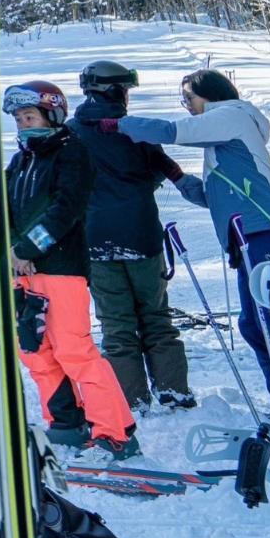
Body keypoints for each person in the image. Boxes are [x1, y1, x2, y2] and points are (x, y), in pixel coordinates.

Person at [112, 67, 270, 421]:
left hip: (266, 235)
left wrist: (117, 123)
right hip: (247, 238)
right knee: (253, 325)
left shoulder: (230, 114)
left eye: (189, 97)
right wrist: (182, 181)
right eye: (183, 99)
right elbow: (220, 193)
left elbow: (172, 132)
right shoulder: (226, 130)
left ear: (211, 93)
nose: (186, 105)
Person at [2, 79, 139, 458]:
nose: (23, 124)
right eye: (17, 119)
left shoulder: (71, 153)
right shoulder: (20, 161)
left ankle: (115, 432)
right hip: (22, 271)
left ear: (53, 114)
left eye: (29, 116)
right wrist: (12, 251)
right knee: (33, 349)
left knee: (73, 350)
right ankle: (65, 423)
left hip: (61, 267)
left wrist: (30, 246)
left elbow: (66, 208)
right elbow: (5, 211)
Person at [68, 60, 204, 414]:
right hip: (141, 237)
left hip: (95, 242)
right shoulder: (132, 129)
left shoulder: (70, 133)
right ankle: (174, 392)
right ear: (114, 91)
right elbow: (164, 168)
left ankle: (131, 401)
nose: (126, 97)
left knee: (116, 326)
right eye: (124, 90)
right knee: (156, 319)